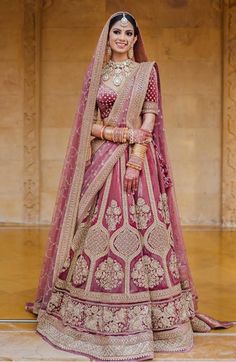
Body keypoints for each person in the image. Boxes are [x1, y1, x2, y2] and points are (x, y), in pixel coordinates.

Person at [26, 11, 235, 361]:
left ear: (135, 39)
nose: (122, 38)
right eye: (116, 32)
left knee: (144, 229)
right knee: (96, 230)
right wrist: (119, 134)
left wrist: (137, 157)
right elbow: (88, 125)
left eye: (128, 33)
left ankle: (152, 319)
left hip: (139, 163)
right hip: (104, 158)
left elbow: (151, 114)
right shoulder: (96, 74)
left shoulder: (145, 72)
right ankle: (91, 313)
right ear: (107, 37)